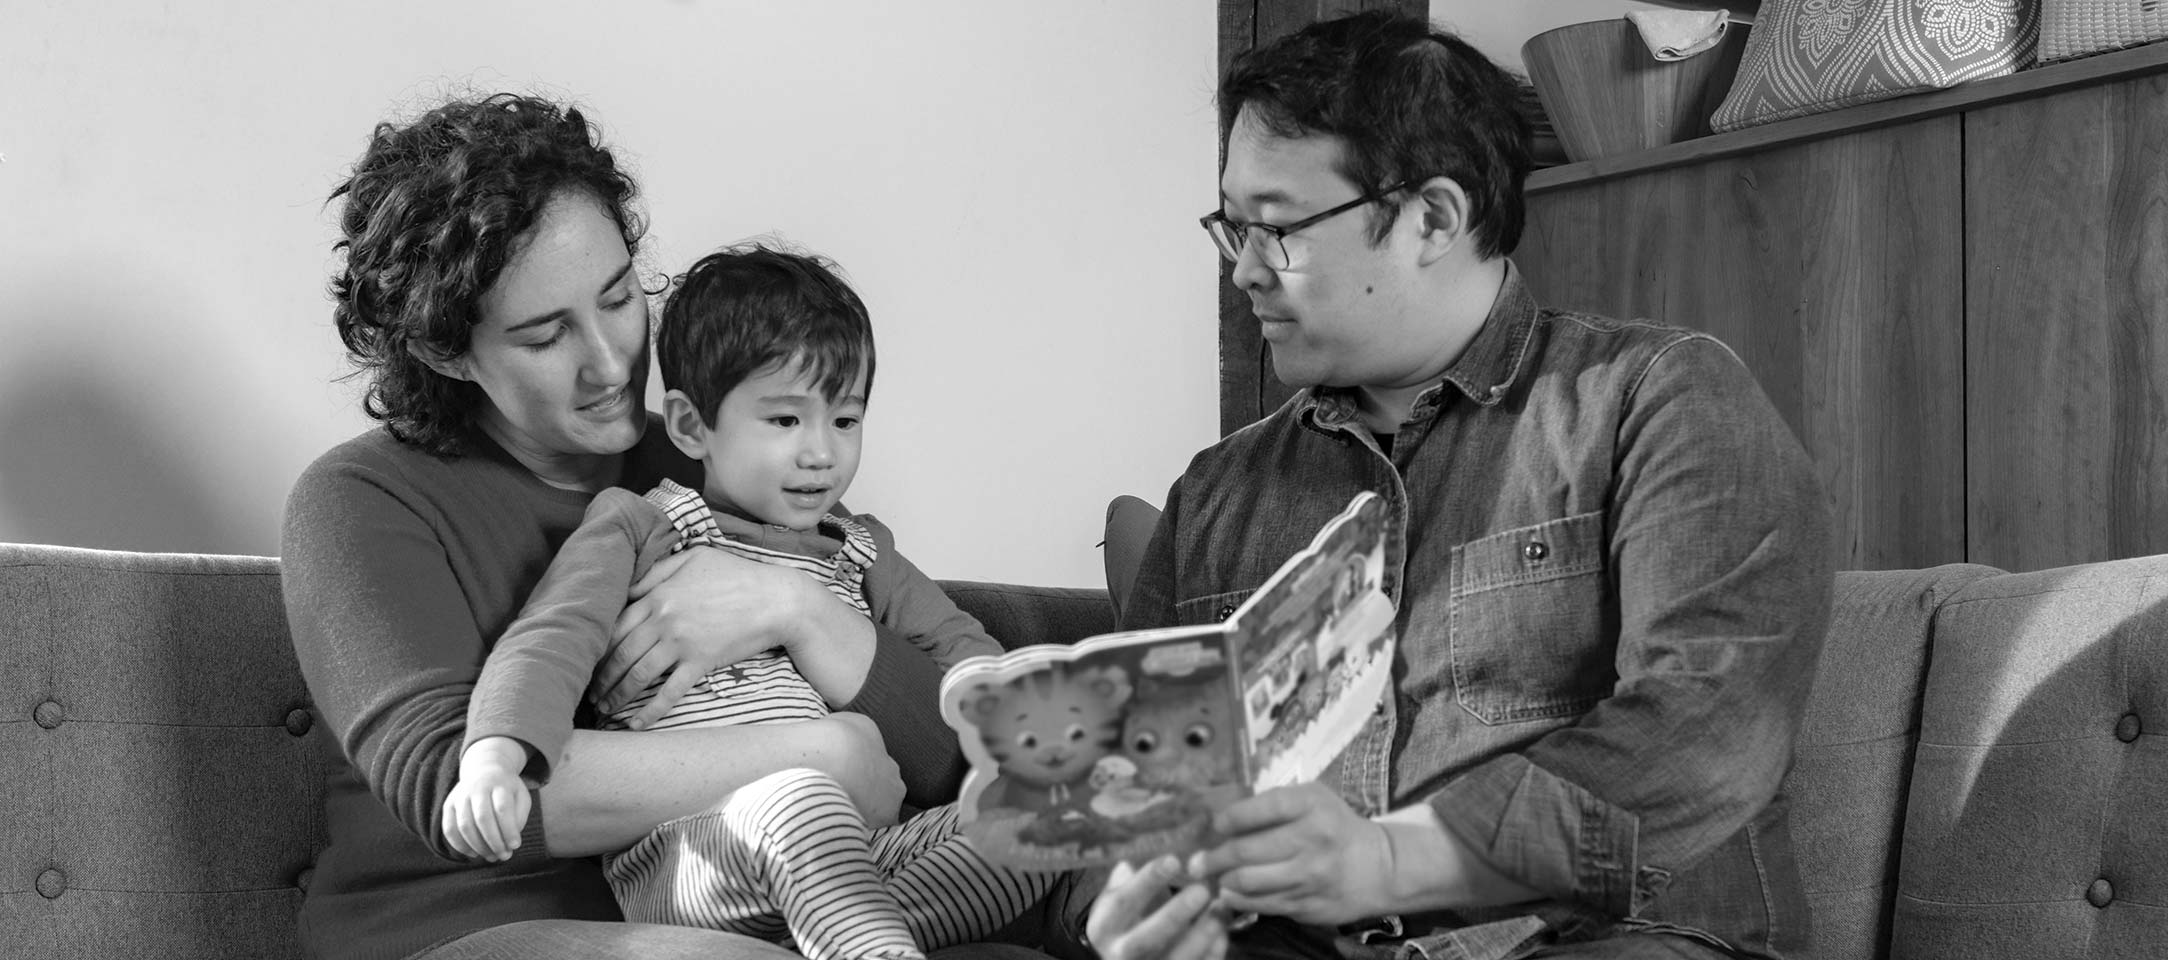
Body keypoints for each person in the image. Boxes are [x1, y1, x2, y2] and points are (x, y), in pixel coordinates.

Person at [1086, 12, 1833, 960]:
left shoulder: (1657, 401)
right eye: (1232, 227)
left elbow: (1710, 730)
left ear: (1432, 218)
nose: (1243, 271)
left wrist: (1394, 860)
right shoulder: (1216, 493)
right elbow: (1123, 803)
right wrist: (1127, 903)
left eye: (1275, 229)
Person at [284, 93, 1057, 960]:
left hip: (766, 904)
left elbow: (944, 760)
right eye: (545, 337)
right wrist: (817, 751)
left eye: (618, 298)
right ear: (445, 350)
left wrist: (793, 607)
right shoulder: (361, 500)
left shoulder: (728, 457)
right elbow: (456, 795)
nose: (612, 364)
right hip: (465, 931)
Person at [438, 243, 1057, 959]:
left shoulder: (862, 550)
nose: (821, 453)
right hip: (691, 859)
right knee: (802, 795)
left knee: (1042, 812)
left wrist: (1005, 702)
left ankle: (864, 930)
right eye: (787, 421)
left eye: (846, 420)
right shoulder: (643, 524)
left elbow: (962, 649)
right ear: (692, 425)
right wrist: (494, 758)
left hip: (854, 855)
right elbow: (551, 638)